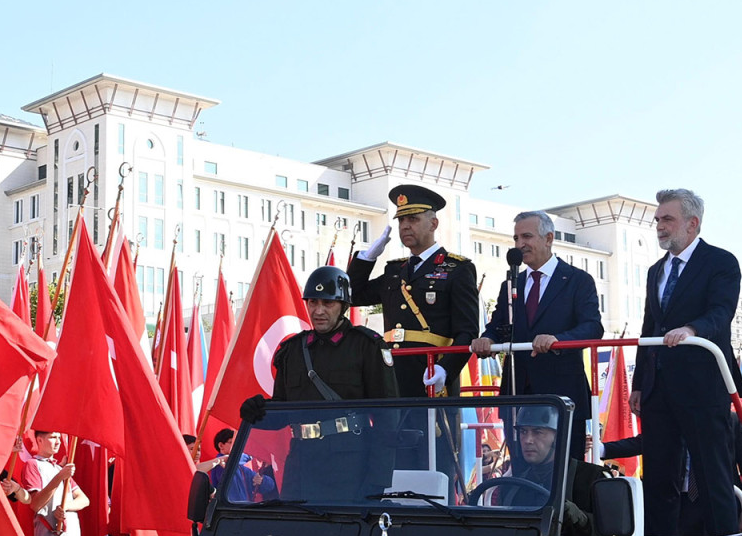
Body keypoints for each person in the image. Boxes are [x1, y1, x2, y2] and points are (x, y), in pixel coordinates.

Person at [631, 189, 742, 536]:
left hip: (702, 384)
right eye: (657, 220)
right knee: (658, 475)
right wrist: (638, 384)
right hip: (658, 386)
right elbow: (649, 327)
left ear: (692, 223)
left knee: (713, 473)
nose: (659, 226)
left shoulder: (721, 262)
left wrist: (691, 329)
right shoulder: (655, 271)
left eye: (667, 219)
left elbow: (721, 313)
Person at [242, 265, 399, 503]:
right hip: (301, 464)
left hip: (350, 465)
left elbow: (388, 417)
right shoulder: (292, 350)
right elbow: (283, 412)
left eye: (328, 303)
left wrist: (377, 480)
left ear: (344, 306)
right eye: (313, 302)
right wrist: (257, 411)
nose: (318, 311)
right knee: (295, 535)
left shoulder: (365, 346)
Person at [472, 210, 603, 461]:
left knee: (565, 470)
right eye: (516, 238)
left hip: (561, 392)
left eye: (527, 236)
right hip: (518, 391)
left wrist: (558, 340)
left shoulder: (577, 280)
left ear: (549, 238)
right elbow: (500, 326)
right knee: (523, 470)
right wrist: (487, 338)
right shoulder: (511, 284)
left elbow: (592, 328)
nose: (520, 244)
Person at [346, 185, 478, 399]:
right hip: (392, 376)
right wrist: (366, 259)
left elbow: (468, 331)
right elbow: (351, 295)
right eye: (401, 220)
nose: (405, 226)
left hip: (432, 374)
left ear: (433, 224)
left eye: (413, 219)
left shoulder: (457, 269)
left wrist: (446, 369)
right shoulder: (395, 270)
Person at [500, 405, 608, 536]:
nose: (527, 440)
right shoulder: (512, 486)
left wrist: (581, 519)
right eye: (523, 432)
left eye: (537, 432)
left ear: (557, 436)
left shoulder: (591, 478)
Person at [21, 430, 90, 536]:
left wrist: (65, 507)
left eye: (59, 438)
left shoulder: (59, 468)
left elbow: (84, 499)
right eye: (53, 437)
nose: (58, 442)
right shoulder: (33, 464)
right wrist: (59, 477)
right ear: (39, 440)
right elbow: (36, 504)